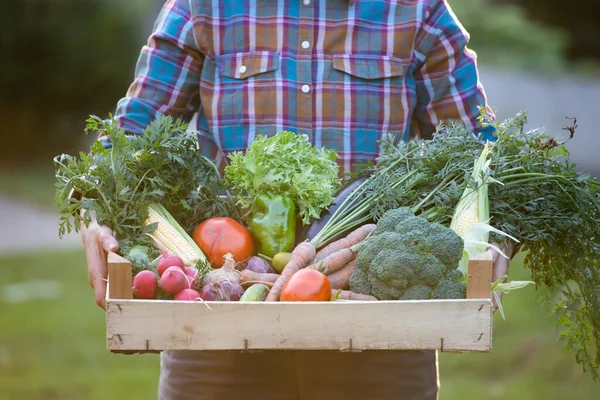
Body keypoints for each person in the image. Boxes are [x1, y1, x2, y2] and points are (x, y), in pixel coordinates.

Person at [81, 0, 510, 399]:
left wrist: (496, 233)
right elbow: (131, 138)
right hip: (218, 324)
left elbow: (477, 152)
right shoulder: (202, 6)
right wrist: (94, 207)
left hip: (380, 325)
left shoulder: (416, 10)